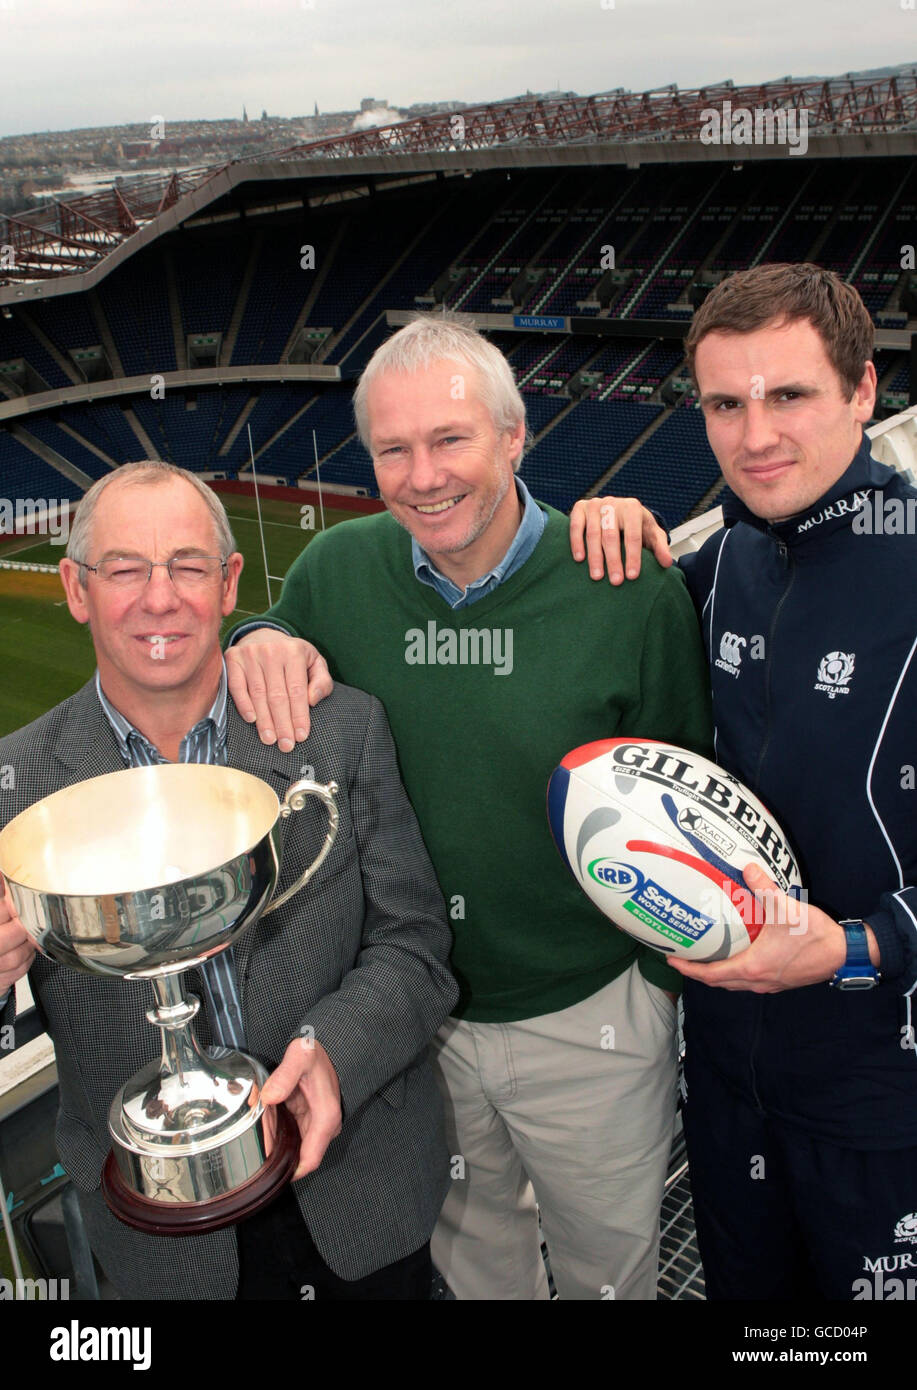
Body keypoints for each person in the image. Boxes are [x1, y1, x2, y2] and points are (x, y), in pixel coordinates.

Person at [223, 313, 713, 1300]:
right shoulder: (334, 570)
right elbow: (274, 635)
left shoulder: (621, 583)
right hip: (413, 1025)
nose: (422, 474)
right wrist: (257, 631)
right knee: (477, 1273)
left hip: (589, 1019)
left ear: (513, 436)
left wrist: (657, 987)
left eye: (449, 439)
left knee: (607, 1277)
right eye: (392, 449)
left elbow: (683, 798)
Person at [0, 461, 458, 1301]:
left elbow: (415, 948)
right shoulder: (16, 785)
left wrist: (333, 1054)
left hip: (356, 1180)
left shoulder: (340, 732)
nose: (159, 597)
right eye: (125, 569)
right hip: (161, 1238)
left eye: (186, 564)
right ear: (75, 588)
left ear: (228, 582)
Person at [570, 262, 917, 1301]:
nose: (752, 433)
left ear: (861, 391)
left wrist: (856, 946)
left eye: (788, 395)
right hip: (725, 1085)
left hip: (880, 1100)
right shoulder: (715, 569)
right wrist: (278, 633)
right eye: (724, 402)